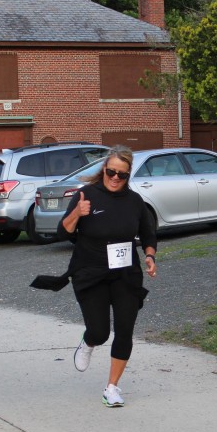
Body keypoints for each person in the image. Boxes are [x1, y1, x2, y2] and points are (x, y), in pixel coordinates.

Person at [56, 146, 157, 407]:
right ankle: (89, 341)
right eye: (111, 172)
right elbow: (63, 232)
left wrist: (150, 255)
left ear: (128, 175)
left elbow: (148, 233)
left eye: (121, 174)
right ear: (104, 169)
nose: (115, 178)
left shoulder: (134, 201)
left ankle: (112, 387)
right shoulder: (86, 195)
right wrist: (77, 213)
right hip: (90, 272)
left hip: (125, 273)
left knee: (124, 330)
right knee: (100, 331)